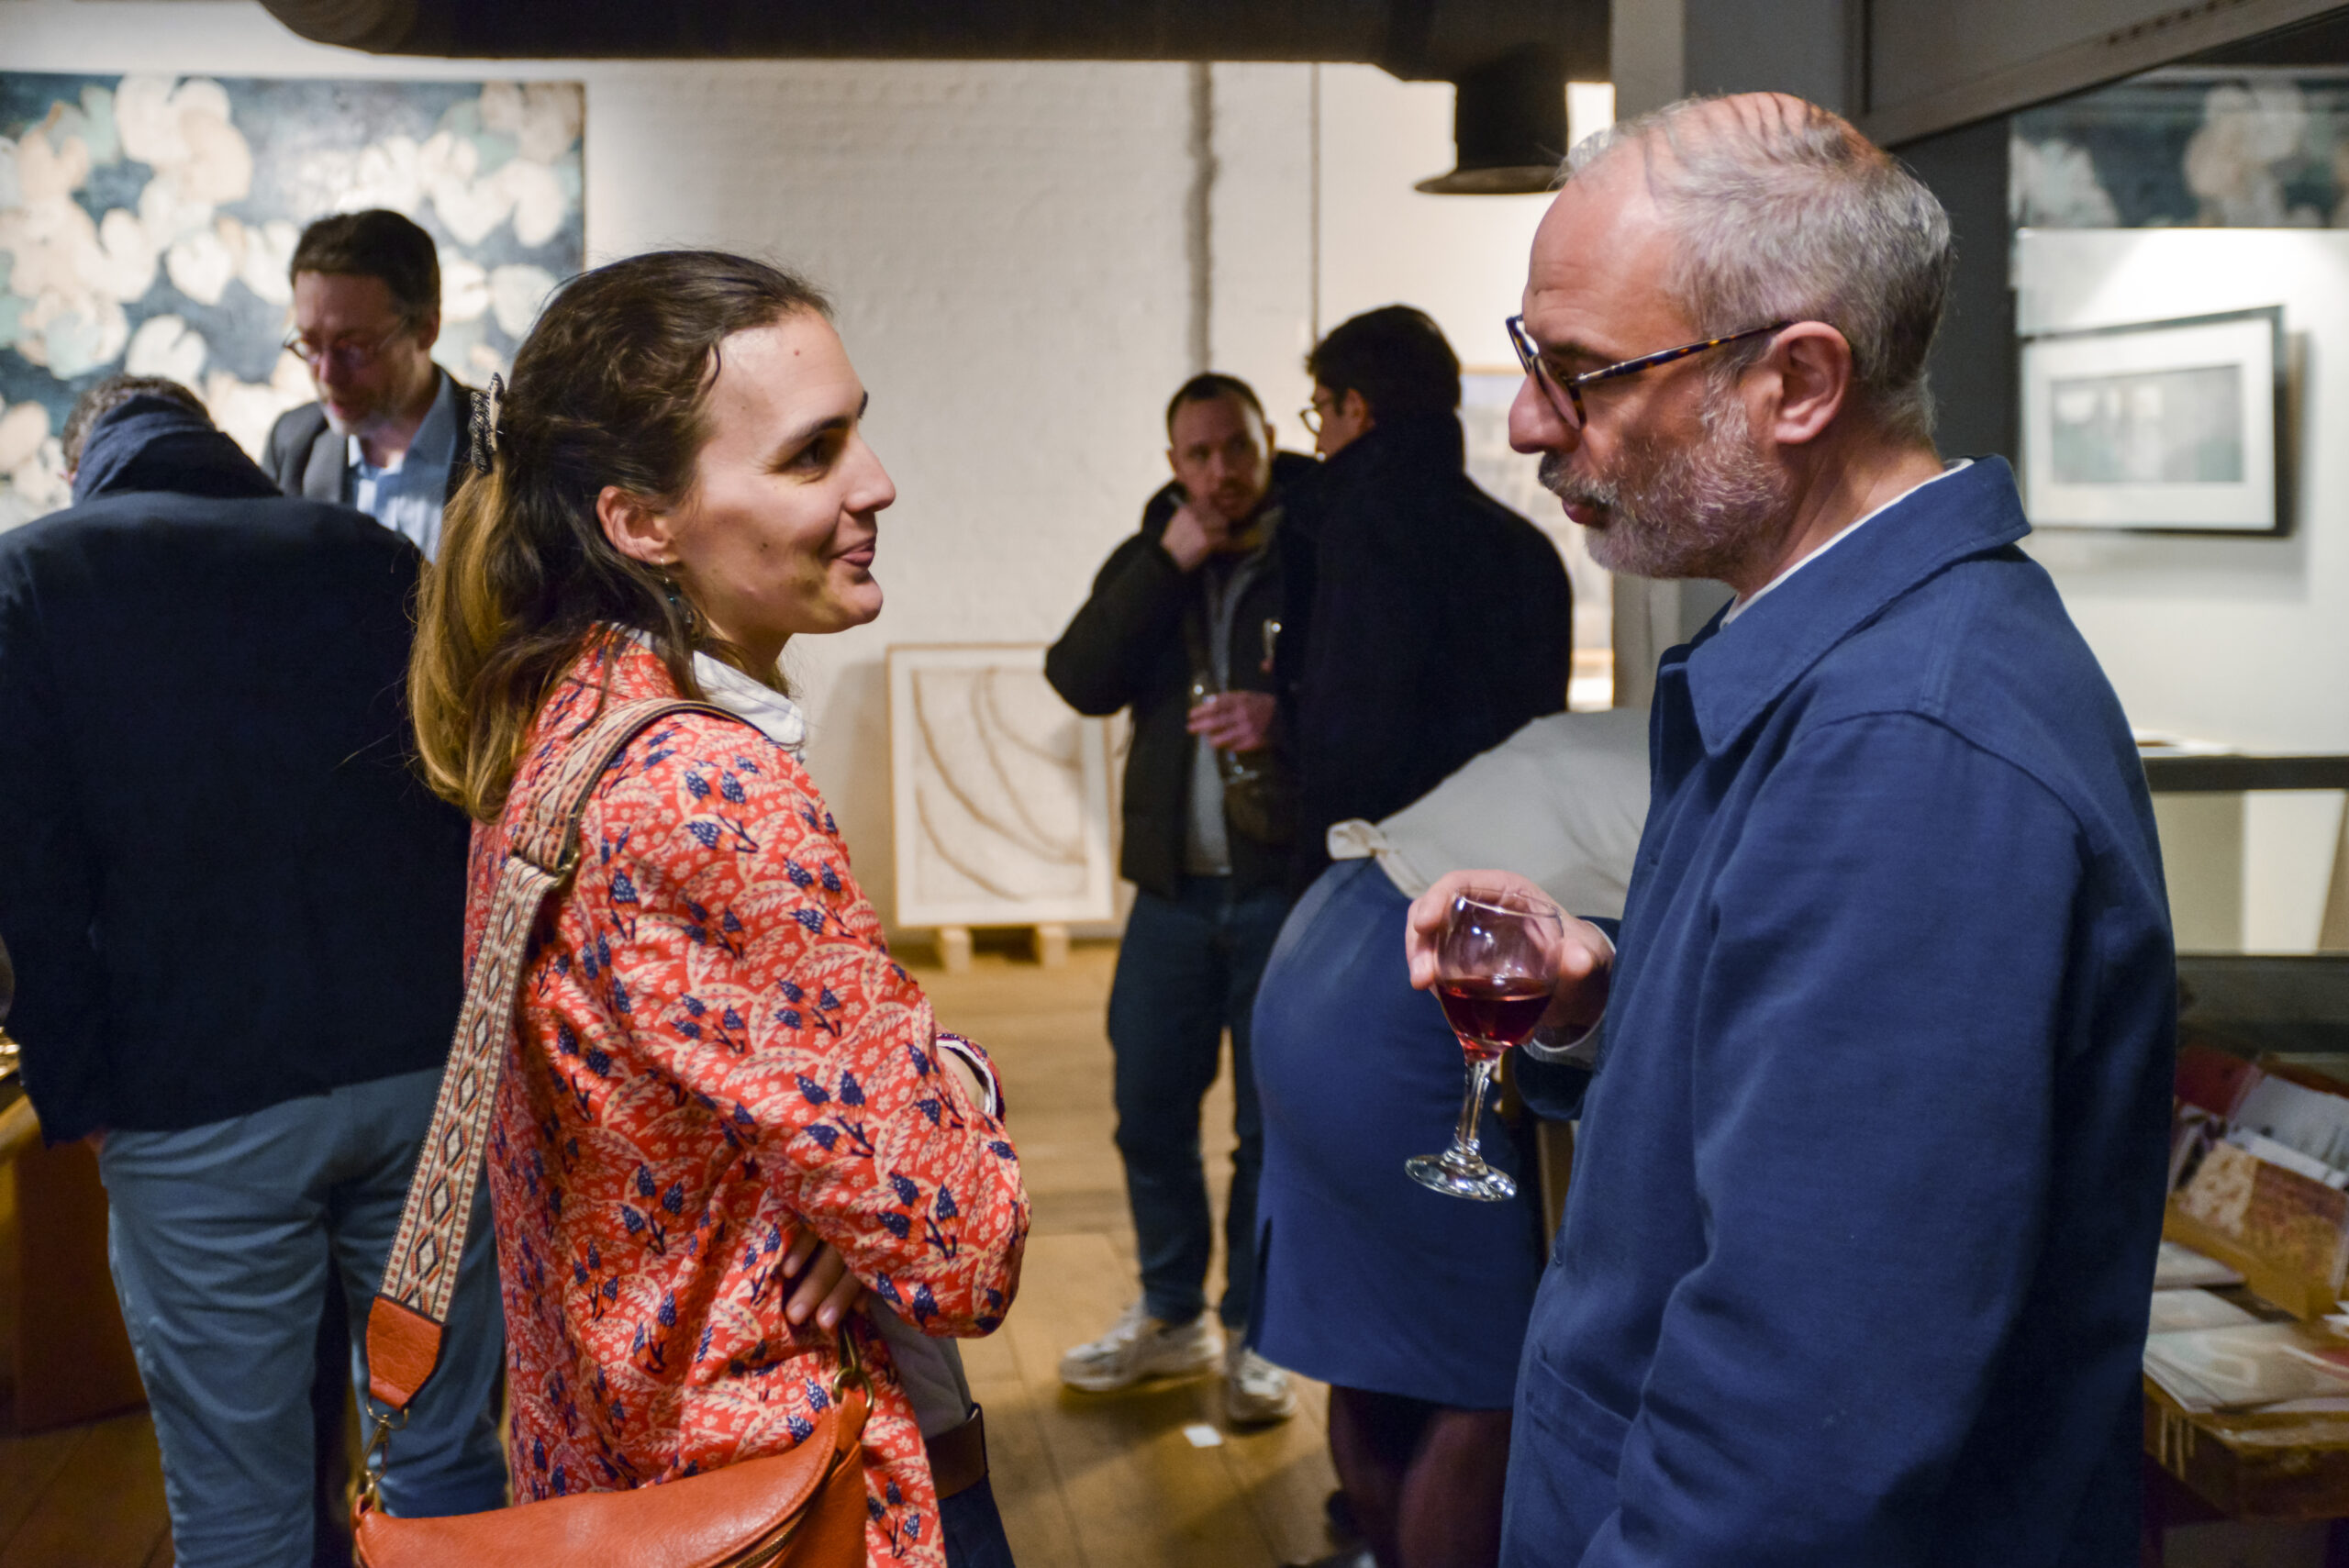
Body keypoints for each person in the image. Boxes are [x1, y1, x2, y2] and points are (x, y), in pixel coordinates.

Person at [1404, 95, 2175, 1566]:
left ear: (1798, 382)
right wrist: (1602, 994)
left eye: (1579, 374)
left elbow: (1796, 1435)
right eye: (1529, 359)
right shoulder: (1847, 660)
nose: (1525, 424)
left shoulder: (1908, 754)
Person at [406, 250, 1030, 1568]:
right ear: (642, 520)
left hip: (614, 1468)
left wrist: (864, 1161)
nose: (877, 483)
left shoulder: (557, 719)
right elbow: (960, 1247)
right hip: (782, 1495)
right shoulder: (707, 786)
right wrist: (955, 1088)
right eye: (813, 455)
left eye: (857, 430)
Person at [0, 376, 507, 1567]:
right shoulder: (371, 552)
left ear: (87, 466)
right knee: (446, 1459)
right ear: (219, 448)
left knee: (242, 1512)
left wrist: (76, 1092)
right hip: (425, 1082)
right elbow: (462, 800)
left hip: (195, 1101)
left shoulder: (30, 578)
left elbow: (30, 866)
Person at [1252, 706, 1650, 1568]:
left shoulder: (1649, 726)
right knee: (1488, 1374)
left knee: (1381, 1341)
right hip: (1405, 986)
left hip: (1319, 942)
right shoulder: (1740, 775)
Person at [1043, 373, 1313, 1425]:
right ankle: (1171, 1313)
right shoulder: (1149, 555)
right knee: (1149, 1109)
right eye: (1196, 455)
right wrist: (1165, 566)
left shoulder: (1313, 551)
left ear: (1266, 445)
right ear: (1171, 464)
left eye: (1234, 450)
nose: (1219, 474)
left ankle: (1255, 1328)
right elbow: (1078, 674)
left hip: (1278, 891)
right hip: (1167, 897)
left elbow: (1362, 689)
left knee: (1265, 1126)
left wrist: (1280, 713)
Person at [1280, 306, 1574, 886]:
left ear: (1355, 409)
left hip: (1386, 869)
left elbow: (1350, 736)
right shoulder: (1525, 546)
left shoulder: (1349, 534)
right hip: (1503, 863)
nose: (1316, 440)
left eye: (1320, 411)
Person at [265, 208, 478, 559]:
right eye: (310, 345)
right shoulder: (292, 444)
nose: (328, 375)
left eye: (355, 347)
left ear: (426, 328)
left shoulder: (509, 448)